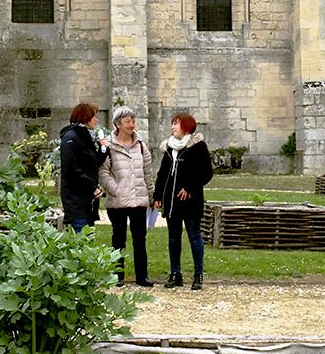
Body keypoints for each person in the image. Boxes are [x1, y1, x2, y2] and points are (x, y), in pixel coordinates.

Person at [153, 113, 212, 290]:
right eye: (172, 124)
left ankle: (198, 274)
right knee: (173, 238)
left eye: (176, 124)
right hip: (172, 201)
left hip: (190, 201)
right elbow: (163, 173)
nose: (173, 127)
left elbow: (206, 173)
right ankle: (175, 273)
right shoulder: (169, 148)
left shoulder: (198, 146)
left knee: (194, 236)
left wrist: (190, 187)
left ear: (186, 126)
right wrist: (157, 196)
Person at [98, 105, 154, 287]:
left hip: (139, 200)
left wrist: (151, 195)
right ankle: (118, 275)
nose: (132, 124)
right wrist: (116, 189)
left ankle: (142, 276)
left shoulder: (141, 145)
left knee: (140, 240)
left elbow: (148, 172)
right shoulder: (108, 145)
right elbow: (103, 172)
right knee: (118, 239)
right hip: (117, 201)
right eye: (127, 121)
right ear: (118, 124)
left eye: (133, 120)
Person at [58, 102, 106, 232]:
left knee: (88, 235)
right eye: (93, 116)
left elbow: (94, 163)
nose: (96, 120)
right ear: (85, 117)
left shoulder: (85, 136)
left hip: (87, 198)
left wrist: (103, 148)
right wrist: (92, 187)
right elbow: (73, 168)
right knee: (82, 237)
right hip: (76, 197)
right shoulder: (71, 138)